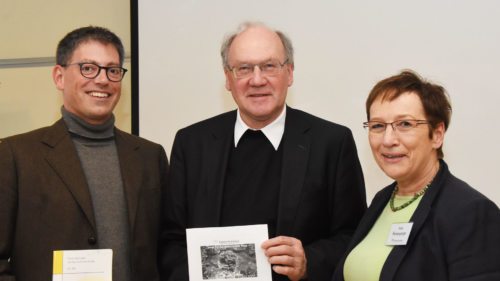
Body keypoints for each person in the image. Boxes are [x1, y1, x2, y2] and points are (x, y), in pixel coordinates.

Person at [160, 21, 366, 281]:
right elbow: (171, 242)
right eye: (244, 68)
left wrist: (309, 261)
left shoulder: (332, 142)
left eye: (269, 66)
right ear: (228, 78)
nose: (257, 80)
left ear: (289, 73)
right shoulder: (191, 143)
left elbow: (354, 235)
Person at [0, 26, 168, 281]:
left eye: (112, 70)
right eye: (88, 68)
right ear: (59, 76)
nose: (102, 80)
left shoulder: (149, 156)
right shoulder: (15, 156)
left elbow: (166, 249)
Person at [332, 70, 500, 281]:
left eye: (405, 124)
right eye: (377, 126)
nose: (388, 139)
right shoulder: (383, 200)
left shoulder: (471, 212)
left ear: (437, 135)